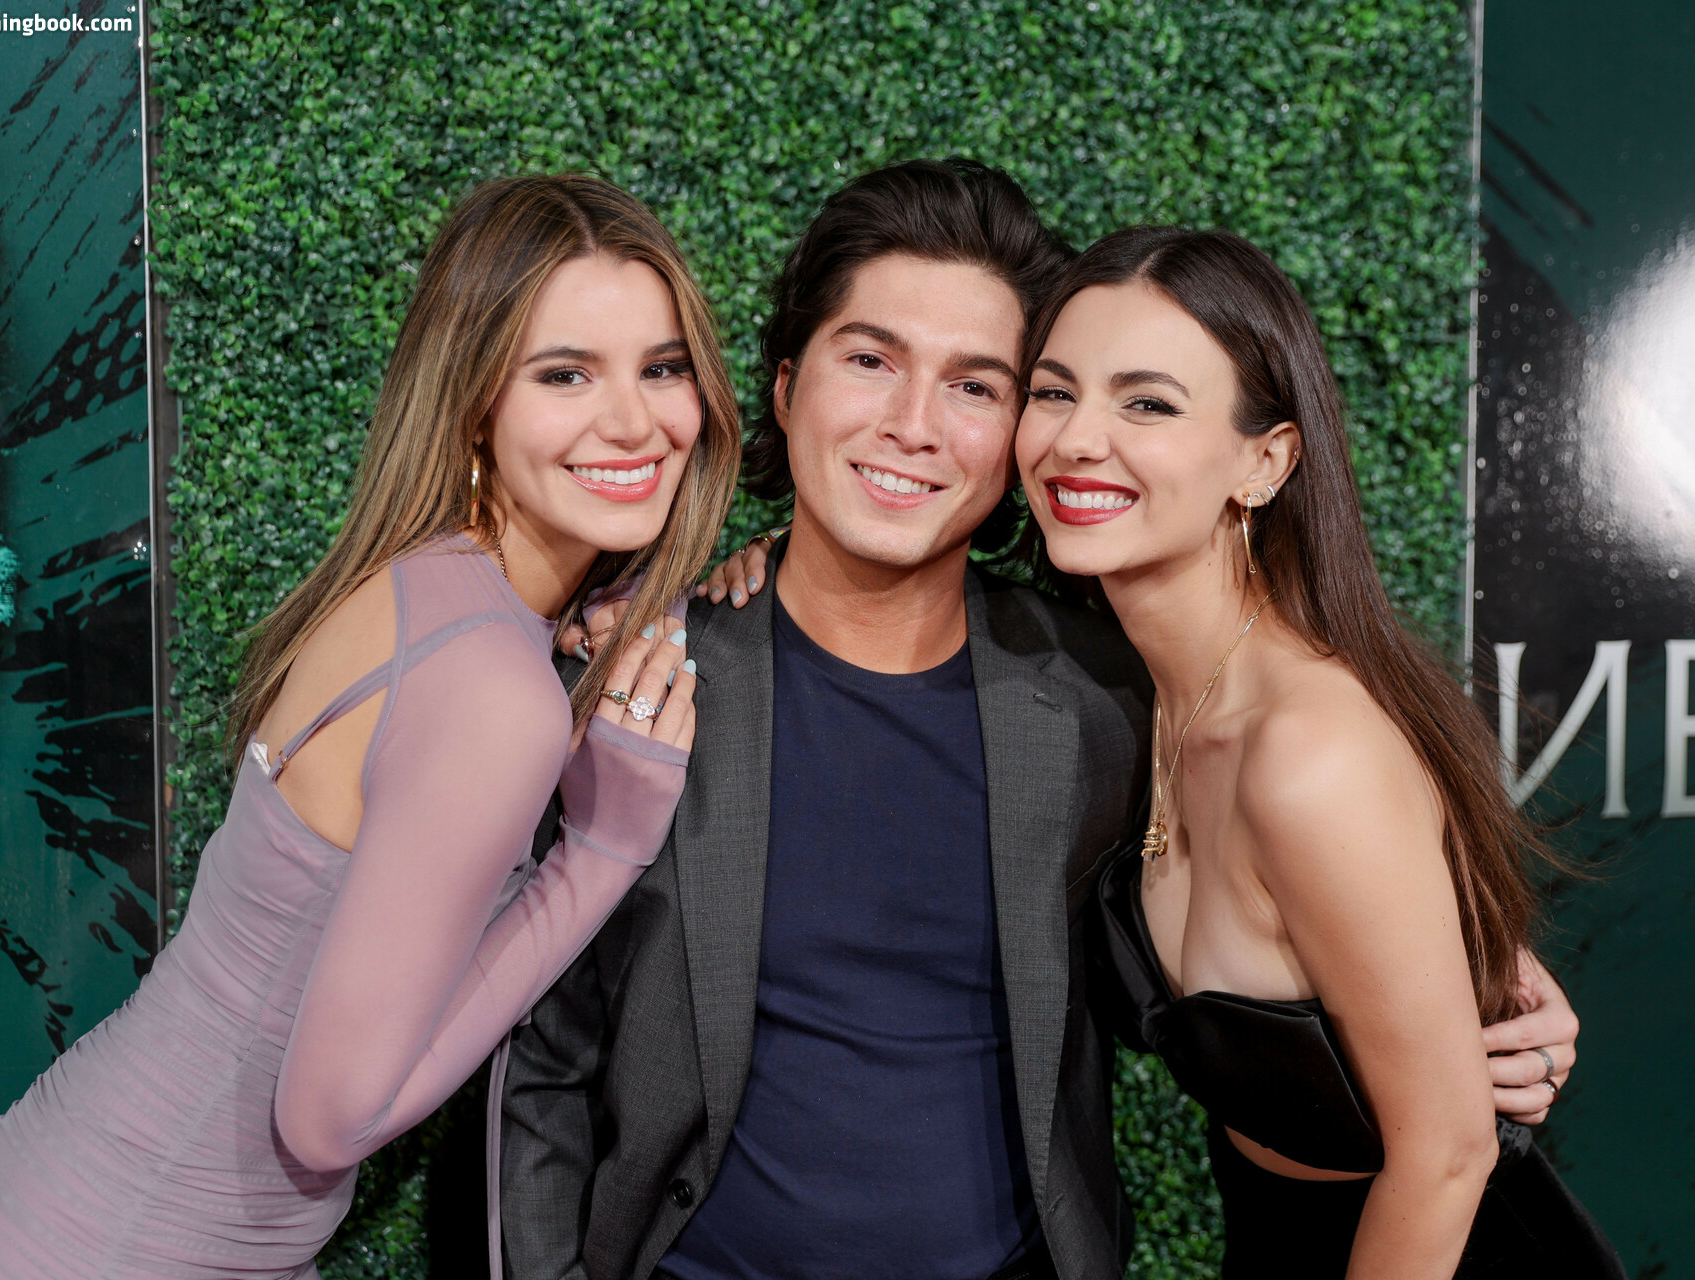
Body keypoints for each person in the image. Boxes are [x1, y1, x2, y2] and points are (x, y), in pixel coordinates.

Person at [498, 158, 1582, 1280]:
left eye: (977, 386)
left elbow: (1312, 908)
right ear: (785, 389)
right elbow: (539, 1060)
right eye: (869, 360)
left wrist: (1485, 990)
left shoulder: (1109, 700)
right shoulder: (639, 676)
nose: (913, 425)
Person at [0, 173, 739, 1280]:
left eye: (663, 366)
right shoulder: (497, 693)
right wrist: (598, 850)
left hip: (51, 1200)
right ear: (474, 401)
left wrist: (626, 607)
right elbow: (324, 1120)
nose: (635, 420)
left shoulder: (421, 581)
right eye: (565, 373)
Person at [1013, 225, 1623, 1277]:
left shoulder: (1307, 752)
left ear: (1266, 461)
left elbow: (1446, 1155)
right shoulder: (1133, 690)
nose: (1076, 438)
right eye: (1053, 392)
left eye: (1147, 404)